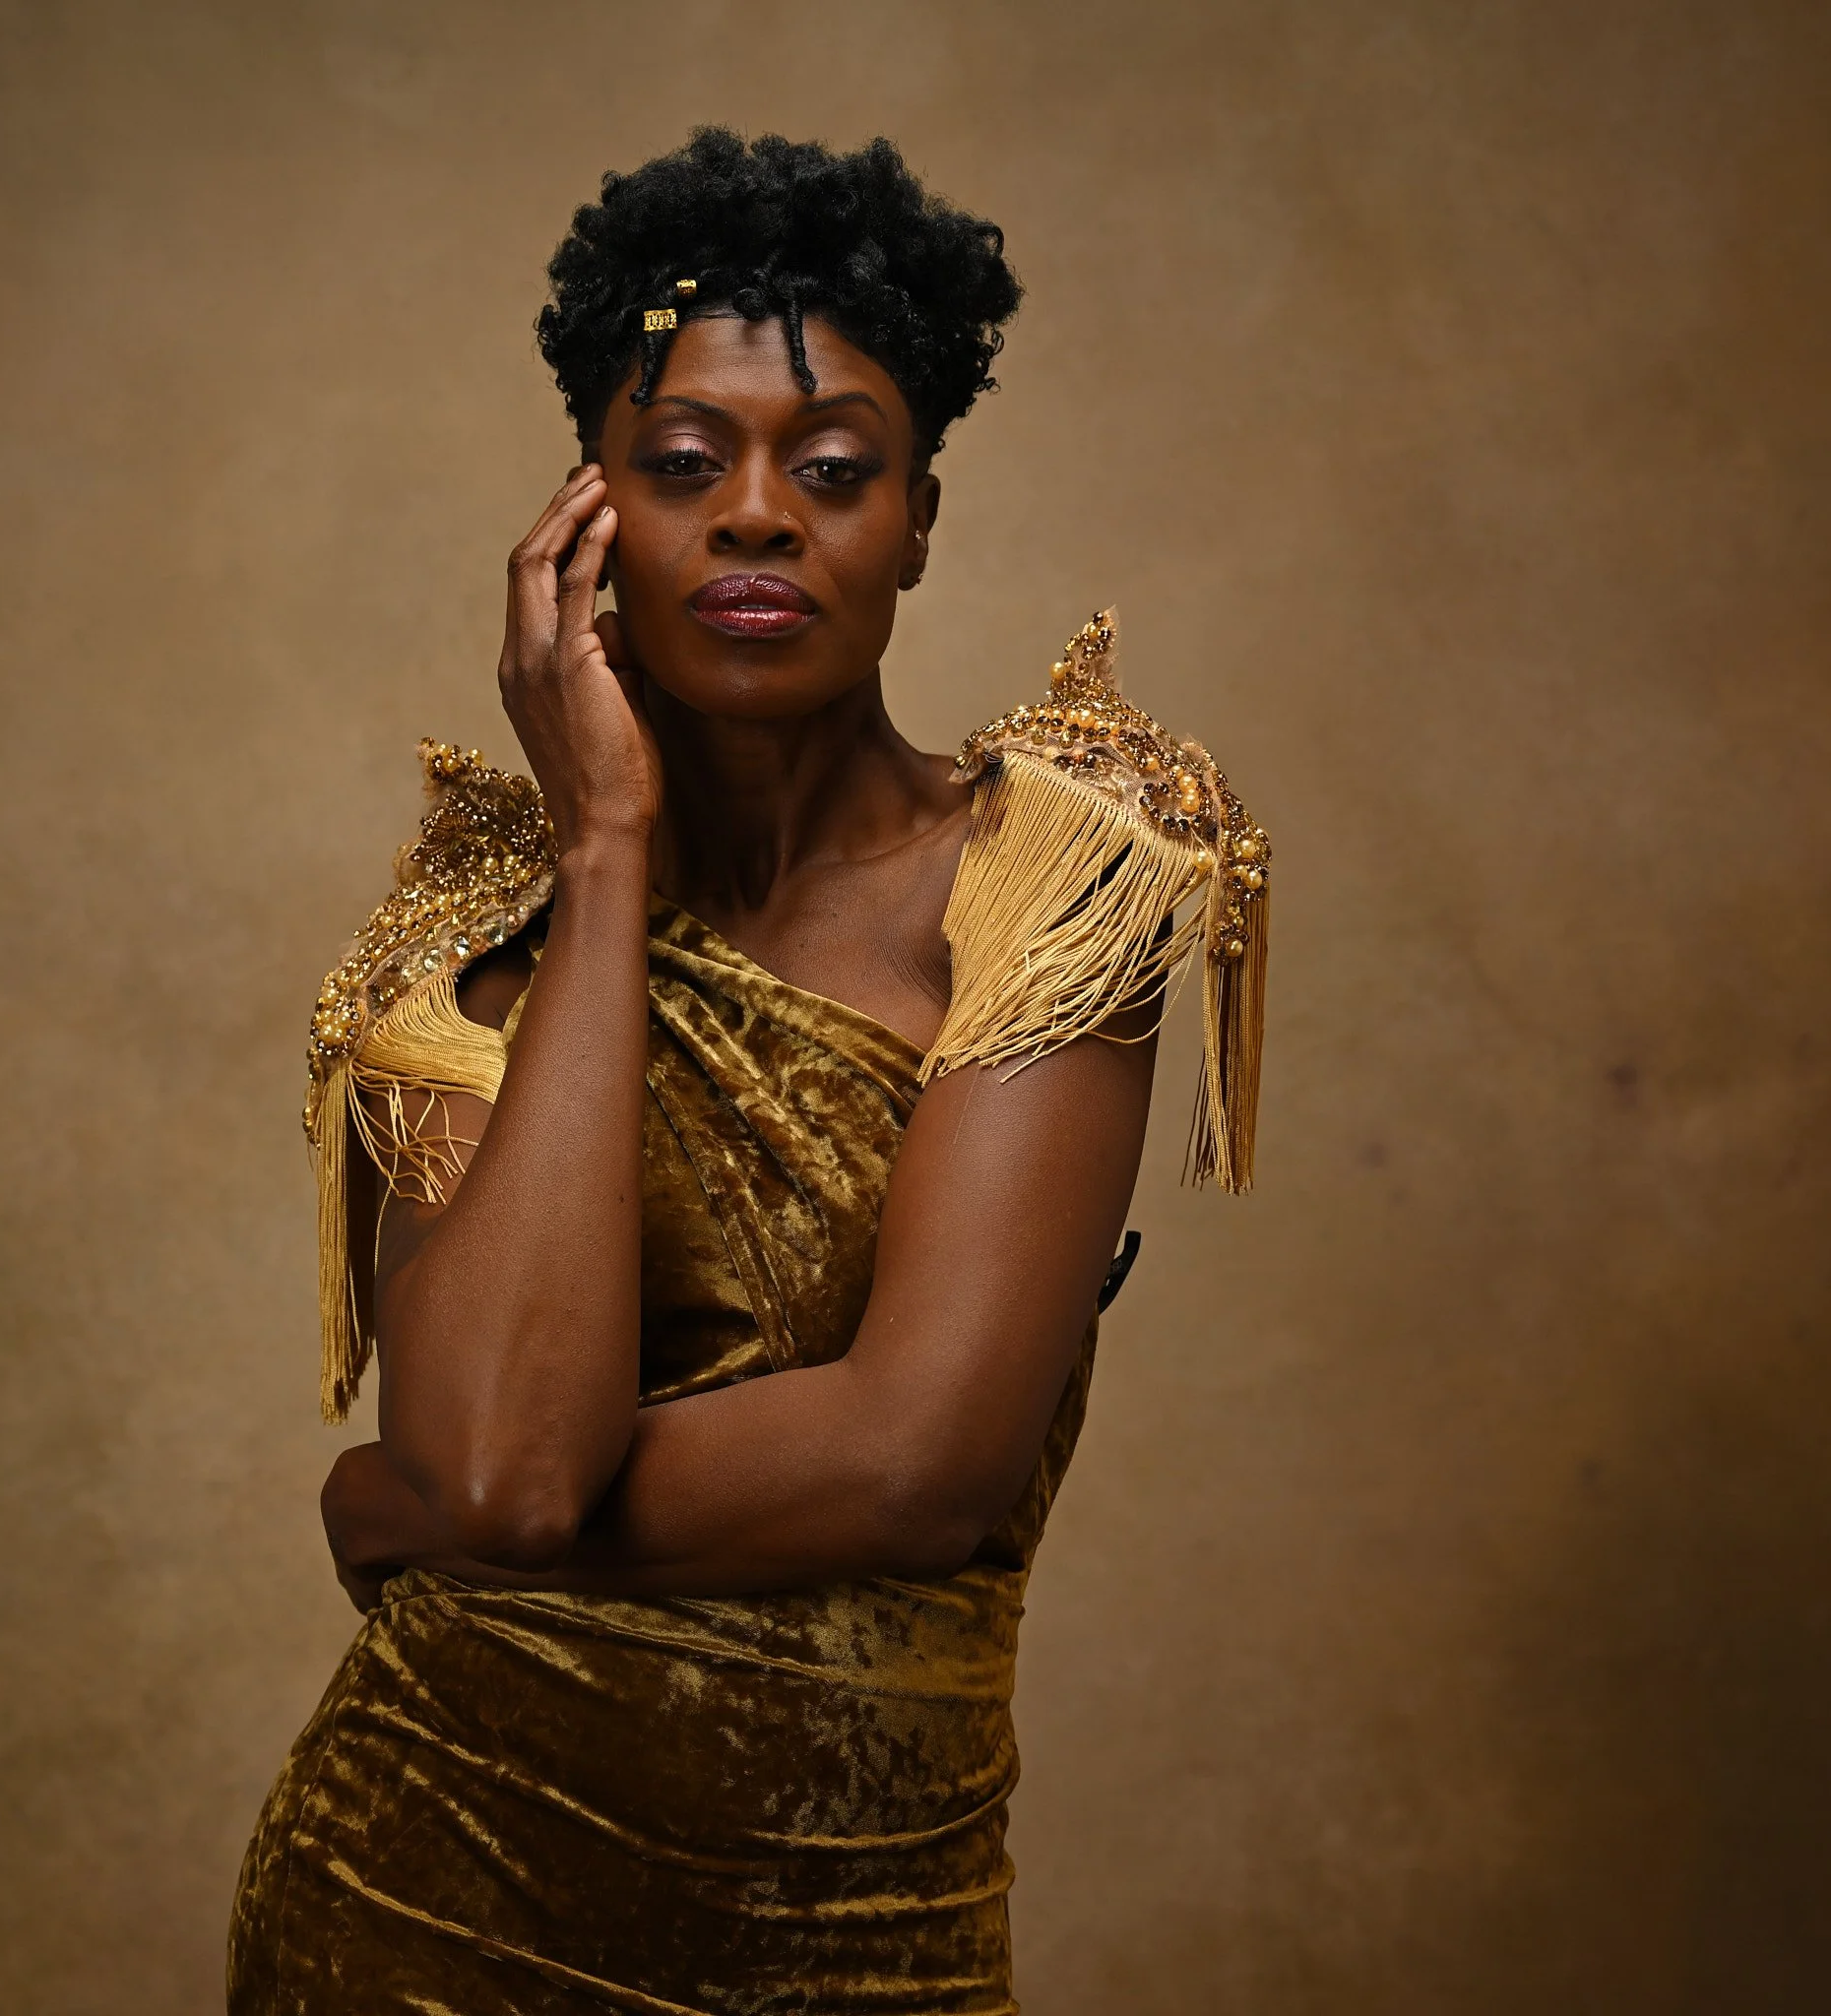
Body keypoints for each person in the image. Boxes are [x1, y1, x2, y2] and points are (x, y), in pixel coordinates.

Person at [228, 128, 1269, 2016]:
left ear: (923, 519)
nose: (761, 517)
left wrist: (410, 1515)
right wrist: (606, 856)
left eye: (840, 469)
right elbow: (510, 1461)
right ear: (589, 513)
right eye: (685, 465)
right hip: (419, 1915)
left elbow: (910, 1465)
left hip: (865, 1928)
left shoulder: (1057, 879)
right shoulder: (466, 950)